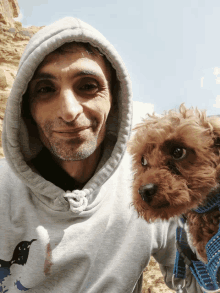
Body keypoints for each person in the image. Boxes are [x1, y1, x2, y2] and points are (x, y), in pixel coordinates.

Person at [0, 17, 202, 292]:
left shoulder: (148, 187)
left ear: (115, 100)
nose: (69, 111)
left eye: (87, 86)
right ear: (26, 108)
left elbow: (199, 281)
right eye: (45, 89)